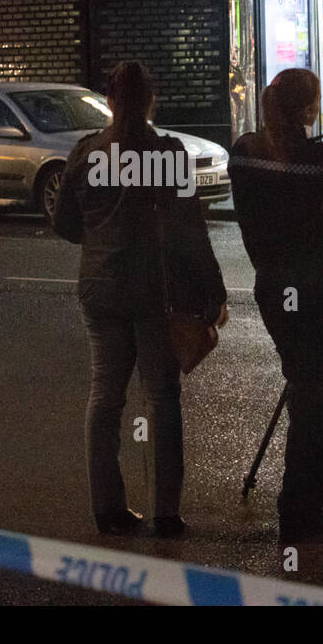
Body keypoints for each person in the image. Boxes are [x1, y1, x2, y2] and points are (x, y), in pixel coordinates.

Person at [53, 61, 228, 538]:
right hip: (154, 290)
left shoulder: (87, 153)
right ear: (151, 102)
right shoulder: (167, 154)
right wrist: (212, 290)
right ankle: (166, 514)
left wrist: (101, 232)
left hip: (101, 287)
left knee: (105, 395)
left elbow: (65, 225)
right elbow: (191, 231)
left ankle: (107, 510)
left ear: (109, 101)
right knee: (162, 398)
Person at [228, 69, 323, 542]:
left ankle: (322, 490)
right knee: (321, 396)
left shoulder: (245, 152)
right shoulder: (321, 157)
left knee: (306, 389)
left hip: (273, 287)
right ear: (307, 108)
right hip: (320, 291)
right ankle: (298, 505)